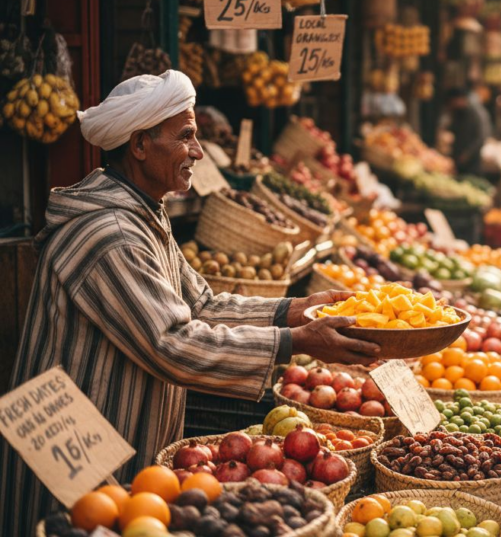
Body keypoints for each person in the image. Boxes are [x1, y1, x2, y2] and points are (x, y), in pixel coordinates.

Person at [0, 71, 381, 535]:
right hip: (79, 454)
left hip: (119, 450)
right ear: (140, 145)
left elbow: (199, 304)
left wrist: (293, 311)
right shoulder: (112, 235)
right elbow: (172, 343)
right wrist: (295, 341)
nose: (198, 151)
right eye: (186, 137)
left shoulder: (143, 216)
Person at [445, 86, 493, 176]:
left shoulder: (476, 113)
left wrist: (467, 154)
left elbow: (481, 137)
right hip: (458, 158)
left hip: (472, 161)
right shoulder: (457, 112)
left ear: (461, 99)